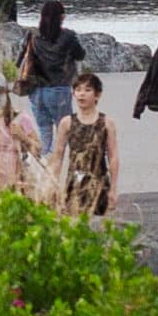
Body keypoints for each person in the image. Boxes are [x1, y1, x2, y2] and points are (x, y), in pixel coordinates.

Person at [51, 70, 121, 218]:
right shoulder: (67, 123)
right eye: (78, 90)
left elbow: (113, 156)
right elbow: (58, 156)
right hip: (74, 183)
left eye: (87, 90)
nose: (81, 94)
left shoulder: (107, 123)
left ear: (97, 95)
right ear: (73, 94)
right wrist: (54, 184)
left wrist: (113, 189)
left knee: (99, 229)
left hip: (99, 183)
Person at [19, 0, 85, 154]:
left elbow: (22, 55)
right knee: (65, 131)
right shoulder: (68, 36)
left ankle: (45, 168)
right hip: (58, 89)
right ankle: (72, 166)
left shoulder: (33, 35)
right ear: (61, 17)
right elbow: (80, 55)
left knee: (44, 133)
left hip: (36, 91)